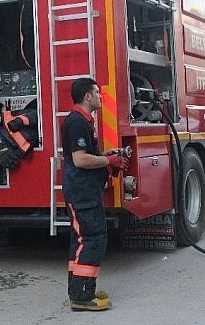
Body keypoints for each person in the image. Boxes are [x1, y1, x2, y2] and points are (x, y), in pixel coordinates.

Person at [61, 78, 128, 310]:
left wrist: (106, 155)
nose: (101, 96)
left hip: (83, 191)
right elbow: (80, 160)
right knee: (94, 238)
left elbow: (83, 154)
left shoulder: (82, 122)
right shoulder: (78, 123)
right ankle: (82, 297)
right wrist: (108, 160)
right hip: (82, 193)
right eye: (97, 93)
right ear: (87, 97)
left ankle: (81, 288)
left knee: (81, 240)